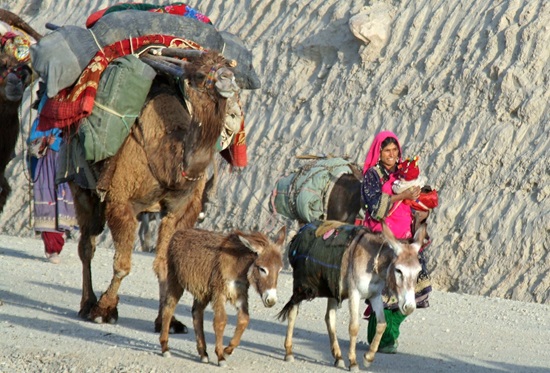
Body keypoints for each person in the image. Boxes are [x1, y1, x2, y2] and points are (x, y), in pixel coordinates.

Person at [360, 130, 432, 354]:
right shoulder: (372, 175)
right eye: (387, 151)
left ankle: (389, 334)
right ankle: (381, 340)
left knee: (415, 290)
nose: (392, 155)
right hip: (382, 239)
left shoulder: (404, 173)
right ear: (378, 152)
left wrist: (420, 199)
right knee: (383, 292)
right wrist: (402, 196)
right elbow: (373, 206)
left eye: (395, 151)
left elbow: (419, 205)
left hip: (407, 240)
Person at [27, 91, 77, 264]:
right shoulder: (40, 122)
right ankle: (51, 248)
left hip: (63, 165)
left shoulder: (69, 122)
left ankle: (58, 243)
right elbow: (32, 144)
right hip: (46, 167)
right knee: (49, 202)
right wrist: (46, 141)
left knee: (63, 203)